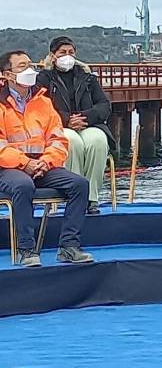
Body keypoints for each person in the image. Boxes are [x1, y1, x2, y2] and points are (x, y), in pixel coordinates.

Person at [0, 50, 93, 267]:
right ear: (7, 75)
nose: (29, 70)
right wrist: (25, 163)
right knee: (23, 186)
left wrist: (46, 162)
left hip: (43, 164)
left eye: (29, 65)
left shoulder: (43, 101)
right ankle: (26, 249)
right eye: (22, 67)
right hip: (8, 168)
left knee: (79, 184)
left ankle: (69, 247)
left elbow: (58, 139)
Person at [37, 36, 115, 216]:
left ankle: (92, 198)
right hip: (59, 126)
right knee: (71, 142)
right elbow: (40, 107)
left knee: (98, 141)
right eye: (62, 52)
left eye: (71, 52)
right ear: (53, 56)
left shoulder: (87, 77)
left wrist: (85, 117)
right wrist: (67, 120)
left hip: (88, 124)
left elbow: (104, 105)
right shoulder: (44, 79)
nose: (67, 56)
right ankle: (76, 196)